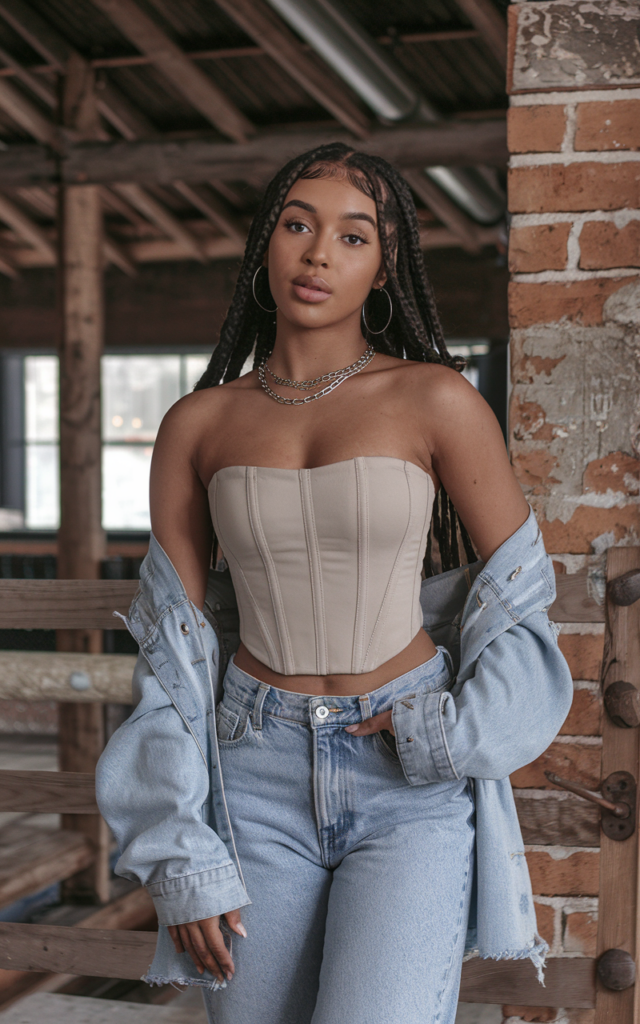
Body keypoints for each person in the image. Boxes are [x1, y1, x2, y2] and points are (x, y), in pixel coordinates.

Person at [96, 143, 573, 1024]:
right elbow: (172, 650)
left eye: (353, 237)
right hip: (252, 768)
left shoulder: (437, 402)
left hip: (407, 774)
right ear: (265, 247)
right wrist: (179, 850)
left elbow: (518, 603)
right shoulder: (197, 424)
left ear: (384, 269)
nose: (318, 254)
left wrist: (448, 735)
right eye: (298, 225)